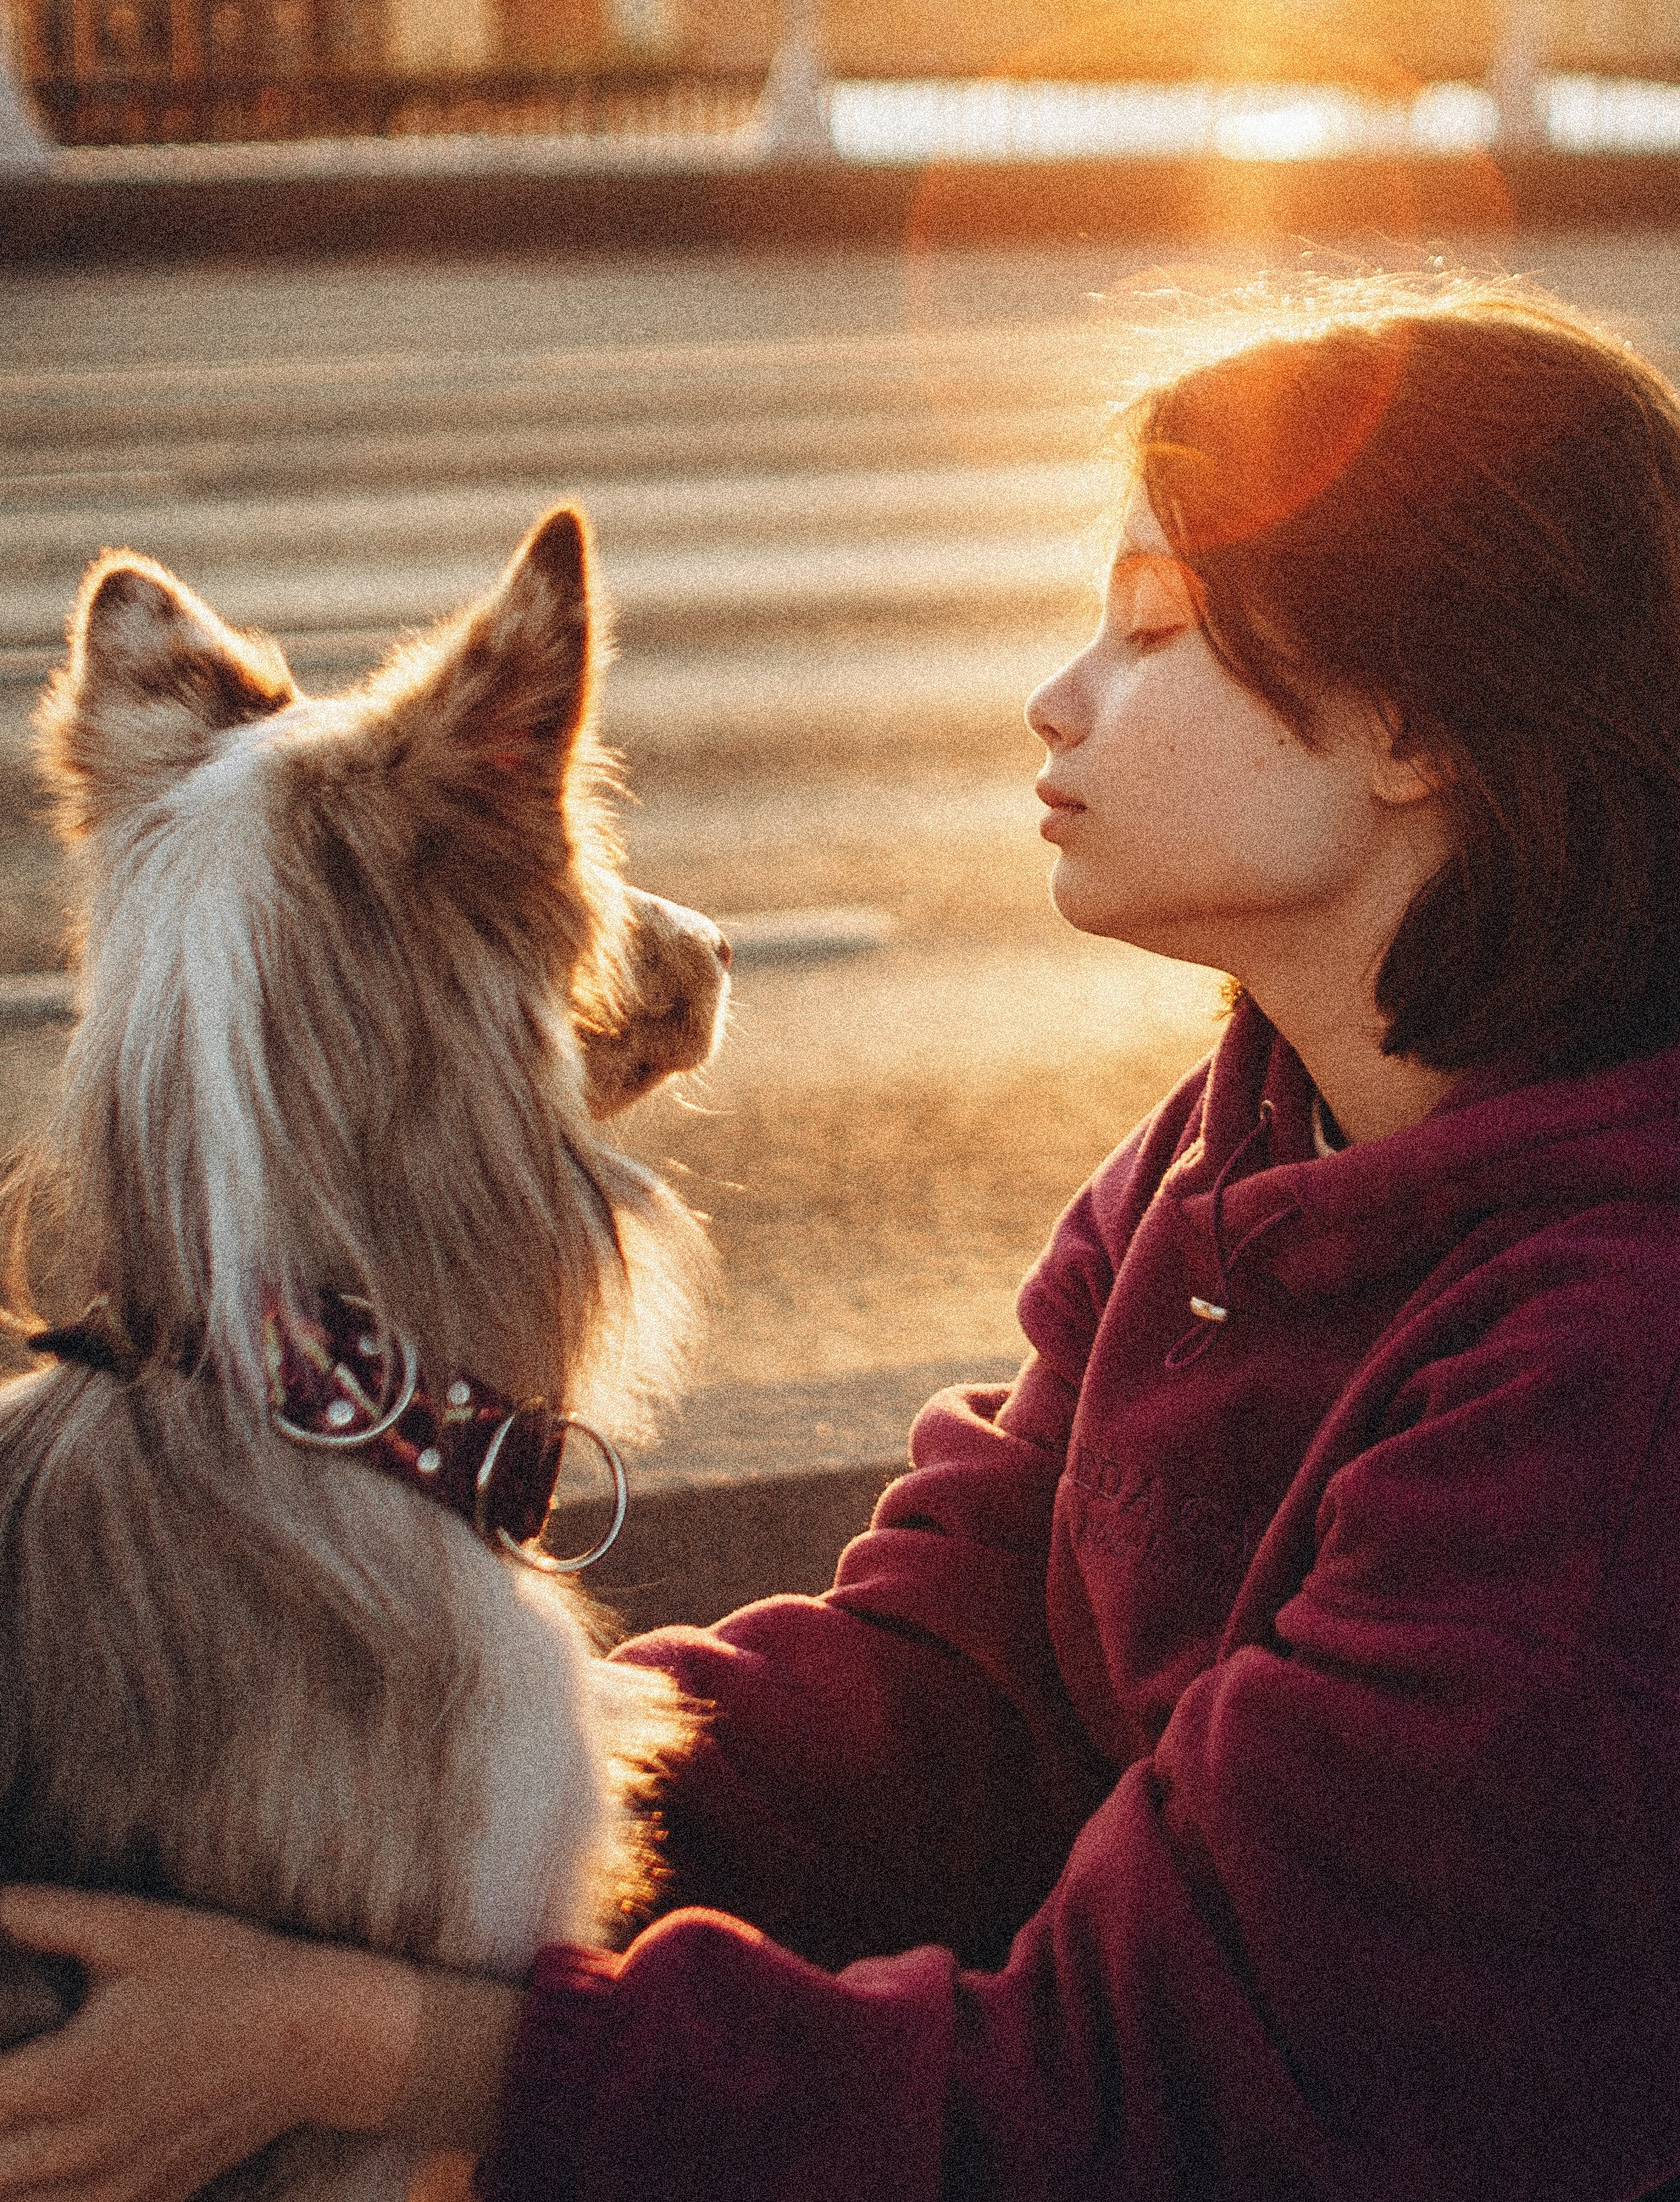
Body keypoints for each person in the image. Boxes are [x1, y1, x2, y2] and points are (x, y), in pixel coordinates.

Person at [4, 274, 1680, 2202]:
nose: (1057, 696)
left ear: (1414, 720)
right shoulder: (1256, 1134)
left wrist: (364, 2038)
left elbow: (1175, 2113)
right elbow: (956, 1686)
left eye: (1151, 631)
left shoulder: (1602, 1381)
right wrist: (363, 1781)